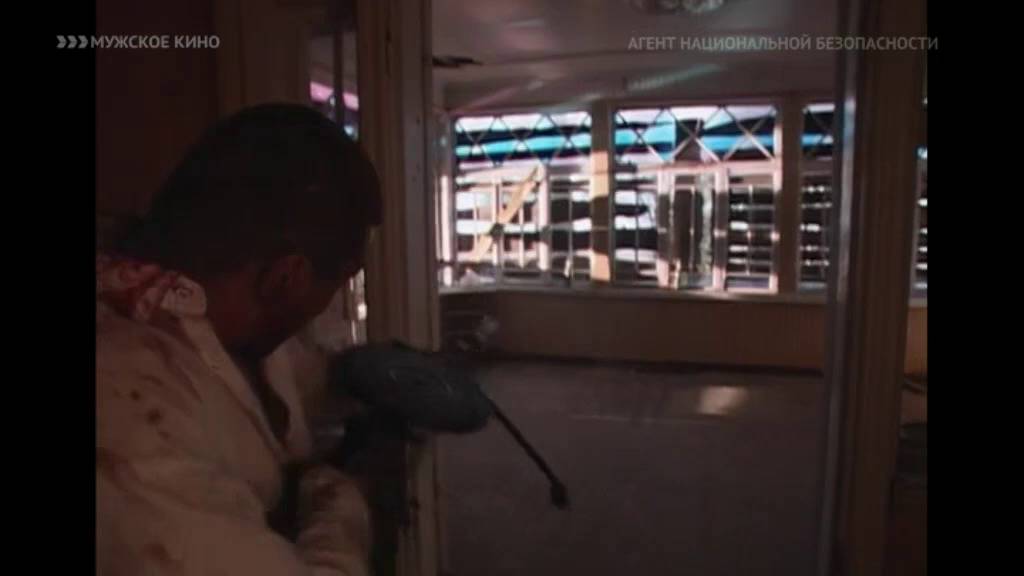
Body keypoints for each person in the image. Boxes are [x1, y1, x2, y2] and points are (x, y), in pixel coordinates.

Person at [96, 103, 381, 575]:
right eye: (337, 284)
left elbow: (296, 380)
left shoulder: (230, 327)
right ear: (286, 278)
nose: (327, 304)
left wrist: (353, 375)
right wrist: (339, 499)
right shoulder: (128, 418)